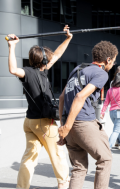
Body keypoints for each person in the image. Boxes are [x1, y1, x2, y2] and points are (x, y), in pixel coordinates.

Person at [6, 26, 72, 189]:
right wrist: (12, 46)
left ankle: (22, 187)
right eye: (47, 58)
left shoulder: (29, 72)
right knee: (58, 155)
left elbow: (56, 54)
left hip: (29, 122)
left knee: (29, 157)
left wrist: (67, 39)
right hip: (44, 123)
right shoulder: (35, 72)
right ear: (43, 60)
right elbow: (13, 69)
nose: (50, 59)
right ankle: (63, 184)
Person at [58, 41, 118, 188]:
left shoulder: (78, 69)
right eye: (114, 60)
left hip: (70, 125)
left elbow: (61, 97)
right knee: (105, 160)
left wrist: (64, 127)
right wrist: (67, 126)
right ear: (108, 60)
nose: (113, 64)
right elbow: (80, 97)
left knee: (79, 168)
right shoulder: (101, 73)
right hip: (83, 122)